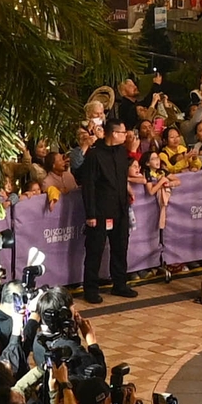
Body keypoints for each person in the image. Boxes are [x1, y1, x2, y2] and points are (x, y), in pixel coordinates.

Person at [74, 123, 135, 301]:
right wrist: (90, 214)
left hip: (121, 208)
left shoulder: (122, 152)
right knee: (95, 250)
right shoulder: (94, 155)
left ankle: (120, 283)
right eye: (123, 132)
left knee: (120, 247)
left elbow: (123, 177)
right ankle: (91, 289)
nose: (126, 135)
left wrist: (127, 191)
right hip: (100, 211)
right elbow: (89, 187)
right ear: (113, 134)